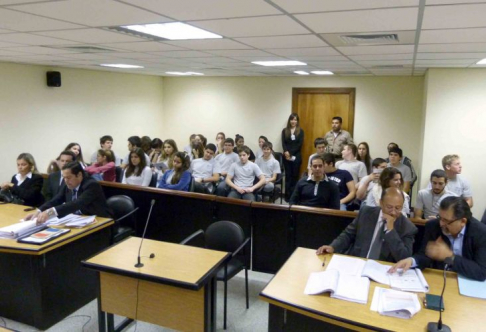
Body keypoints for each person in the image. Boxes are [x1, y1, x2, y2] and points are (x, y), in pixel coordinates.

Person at [390, 197, 486, 281]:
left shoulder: (481, 233)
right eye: (440, 218)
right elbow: (425, 255)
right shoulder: (433, 226)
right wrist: (412, 261)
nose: (441, 224)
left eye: (446, 221)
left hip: (467, 281)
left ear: (463, 221)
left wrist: (450, 256)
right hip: (440, 278)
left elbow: (481, 272)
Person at [317, 187, 417, 263]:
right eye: (389, 207)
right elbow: (348, 234)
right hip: (358, 262)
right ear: (381, 203)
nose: (394, 212)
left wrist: (391, 231)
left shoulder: (408, 228)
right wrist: (333, 247)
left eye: (398, 208)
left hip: (383, 269)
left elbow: (404, 258)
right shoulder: (366, 212)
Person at [25, 161, 112, 223]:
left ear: (79, 175)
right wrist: (39, 211)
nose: (66, 181)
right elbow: (57, 199)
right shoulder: (68, 183)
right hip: (78, 220)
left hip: (101, 222)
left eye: (69, 177)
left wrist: (49, 213)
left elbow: (76, 204)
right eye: (64, 177)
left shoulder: (91, 185)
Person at [281, 113, 304, 201]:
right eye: (292, 119)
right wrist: (286, 152)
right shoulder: (284, 130)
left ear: (297, 121)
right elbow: (283, 143)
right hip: (286, 157)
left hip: (296, 157)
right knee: (288, 177)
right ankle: (287, 196)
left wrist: (290, 153)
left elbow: (299, 145)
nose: (293, 121)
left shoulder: (300, 131)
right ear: (289, 120)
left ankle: (293, 197)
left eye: (295, 120)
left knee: (295, 177)